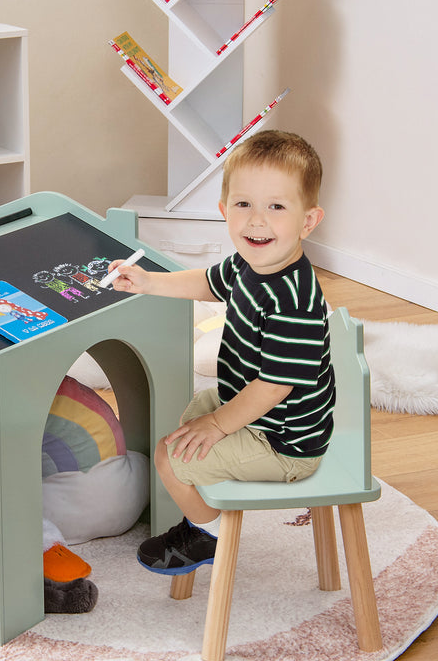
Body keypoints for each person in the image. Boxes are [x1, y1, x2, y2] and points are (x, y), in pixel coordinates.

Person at [107, 130, 335, 575]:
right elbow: (207, 283)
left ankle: (209, 534)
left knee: (171, 455)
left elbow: (273, 387)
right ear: (223, 211)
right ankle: (205, 503)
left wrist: (216, 425)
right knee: (186, 422)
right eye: (244, 204)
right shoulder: (250, 264)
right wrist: (149, 281)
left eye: (276, 207)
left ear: (308, 221)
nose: (256, 221)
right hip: (252, 407)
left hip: (285, 442)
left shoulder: (295, 300)